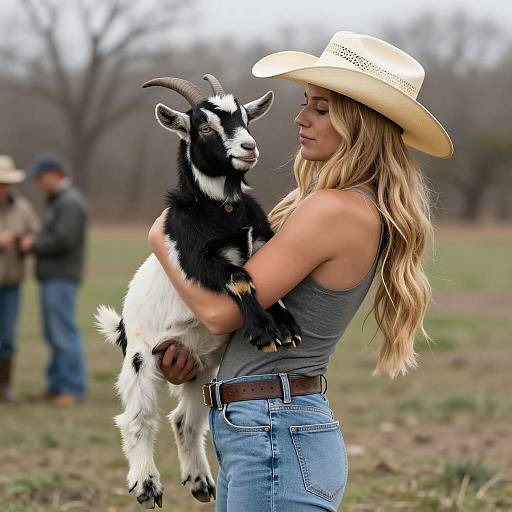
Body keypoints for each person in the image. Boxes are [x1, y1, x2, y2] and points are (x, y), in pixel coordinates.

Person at [148, 32, 453, 511]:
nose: (300, 117)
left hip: (273, 430)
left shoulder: (335, 209)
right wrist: (194, 356)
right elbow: (246, 322)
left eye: (322, 107)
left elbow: (221, 315)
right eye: (305, 102)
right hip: (264, 425)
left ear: (361, 122)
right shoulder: (334, 204)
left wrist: (163, 238)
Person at [20, 153, 88, 406]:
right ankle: (56, 385)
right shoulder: (58, 200)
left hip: (62, 276)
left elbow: (63, 240)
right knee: (53, 333)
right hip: (52, 276)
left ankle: (72, 388)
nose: (38, 183)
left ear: (54, 174)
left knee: (63, 333)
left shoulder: (69, 202)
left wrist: (32, 244)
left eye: (40, 178)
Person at [0, 155, 40, 402]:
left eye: (6, 183)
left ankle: (4, 387)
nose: (3, 188)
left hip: (12, 284)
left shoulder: (23, 207)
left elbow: (35, 232)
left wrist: (28, 242)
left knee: (7, 337)